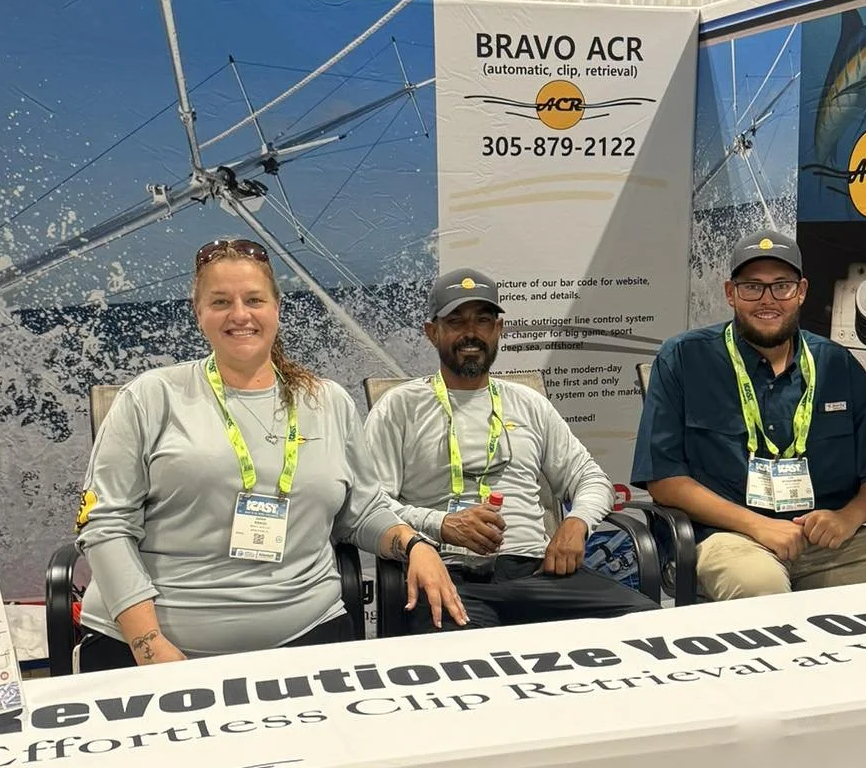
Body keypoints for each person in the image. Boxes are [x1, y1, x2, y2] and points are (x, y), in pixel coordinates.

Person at [75, 237, 465, 669]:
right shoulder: (150, 397)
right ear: (198, 313)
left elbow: (361, 512)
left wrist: (415, 545)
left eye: (254, 300)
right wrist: (148, 645)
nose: (240, 314)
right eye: (220, 302)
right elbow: (105, 525)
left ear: (277, 308)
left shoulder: (328, 402)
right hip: (155, 648)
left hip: (308, 632)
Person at [633, 232, 866, 599]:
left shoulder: (837, 365)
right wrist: (757, 525)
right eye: (752, 287)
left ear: (801, 291)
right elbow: (664, 480)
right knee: (761, 587)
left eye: (782, 286)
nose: (768, 300)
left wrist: (847, 518)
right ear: (730, 293)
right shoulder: (683, 358)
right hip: (728, 536)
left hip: (827, 541)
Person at [365, 267, 657, 630]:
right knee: (473, 653)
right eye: (455, 321)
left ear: (498, 330)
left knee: (649, 624)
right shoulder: (399, 407)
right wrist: (441, 525)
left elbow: (590, 479)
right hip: (447, 574)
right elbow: (370, 505)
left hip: (537, 572)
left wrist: (576, 522)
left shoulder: (528, 403)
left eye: (483, 320)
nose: (471, 333)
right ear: (432, 332)